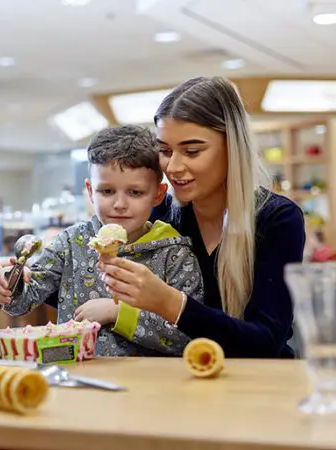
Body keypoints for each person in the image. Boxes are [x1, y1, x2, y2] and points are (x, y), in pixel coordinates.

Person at [97, 76, 305, 359]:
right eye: (165, 151)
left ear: (231, 147)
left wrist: (170, 303)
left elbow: (265, 341)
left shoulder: (277, 219)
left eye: (192, 151)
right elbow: (88, 281)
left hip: (258, 386)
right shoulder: (158, 217)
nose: (173, 167)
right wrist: (28, 282)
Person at [0, 124, 203, 357]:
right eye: (107, 191)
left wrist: (118, 312)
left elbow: (186, 337)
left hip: (148, 383)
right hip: (75, 376)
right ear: (91, 191)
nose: (119, 204)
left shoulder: (175, 254)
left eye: (135, 192)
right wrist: (11, 284)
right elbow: (23, 302)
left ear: (158, 194)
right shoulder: (71, 242)